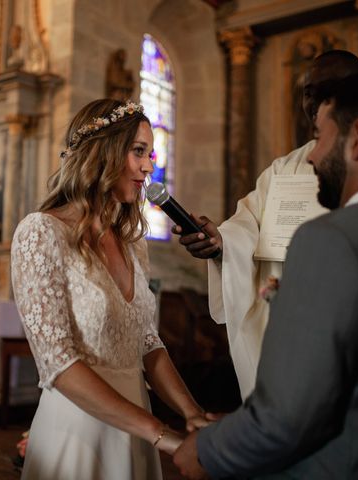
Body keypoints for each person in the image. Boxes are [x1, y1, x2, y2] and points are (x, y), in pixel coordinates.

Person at [173, 70, 358, 479]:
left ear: (357, 137)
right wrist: (223, 243)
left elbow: (290, 416)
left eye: (322, 138)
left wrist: (207, 449)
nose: (311, 155)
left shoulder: (329, 240)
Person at [11, 99, 212, 479]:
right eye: (138, 151)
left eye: (149, 154)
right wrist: (164, 437)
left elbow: (148, 343)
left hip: (136, 429)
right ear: (102, 152)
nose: (149, 166)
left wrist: (193, 414)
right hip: (78, 433)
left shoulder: (132, 241)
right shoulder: (42, 233)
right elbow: (58, 362)